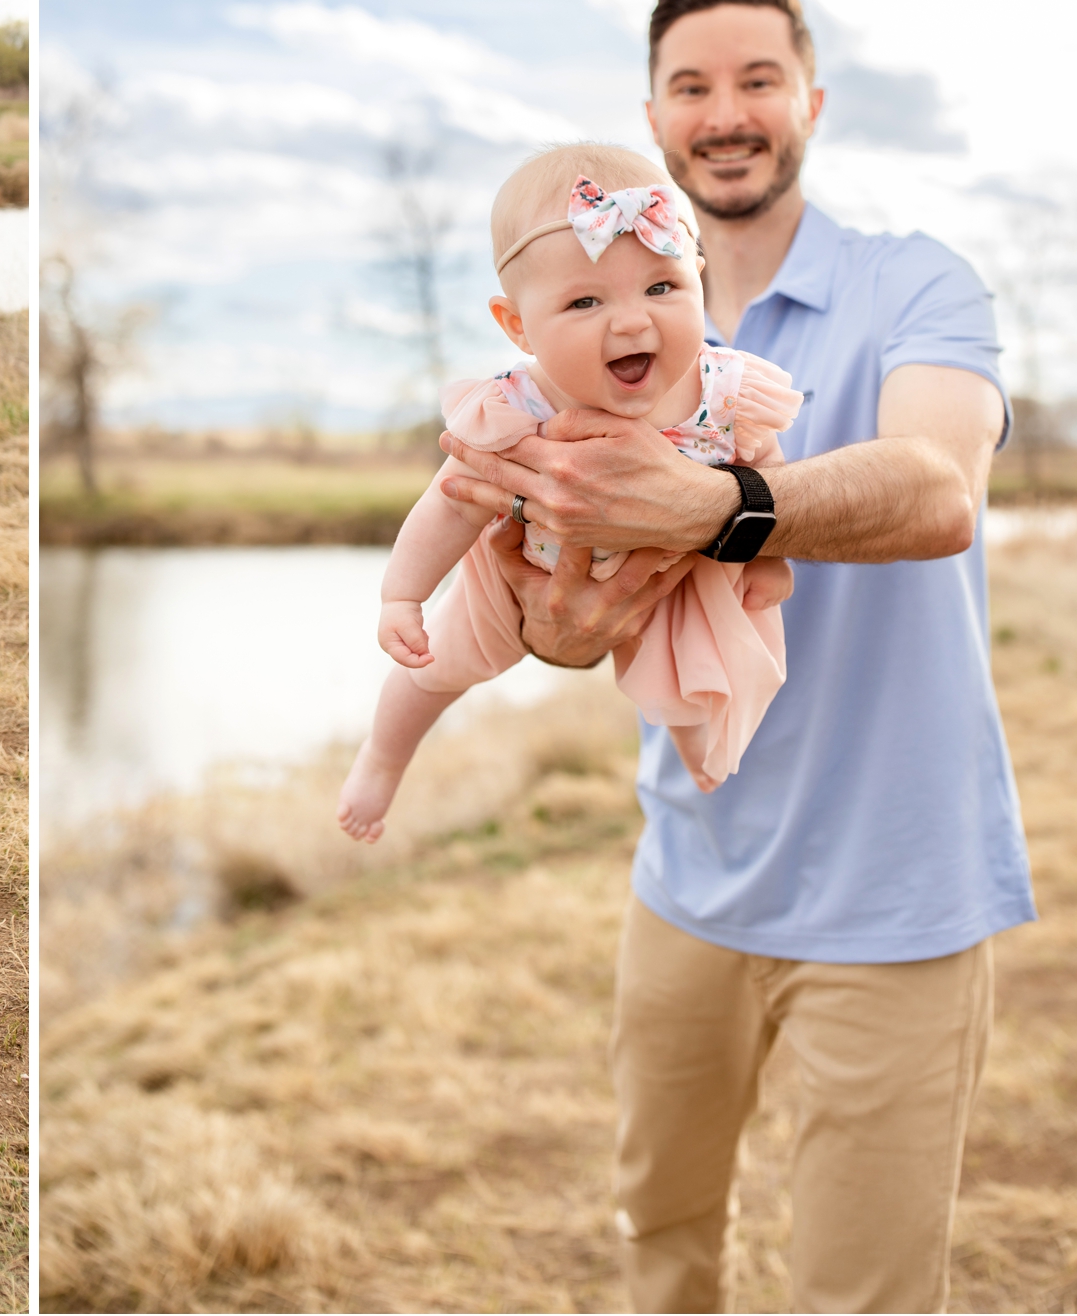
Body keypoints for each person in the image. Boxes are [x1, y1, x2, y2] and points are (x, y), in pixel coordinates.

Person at [436, 0, 1028, 1312]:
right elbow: (572, 619)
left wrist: (721, 504)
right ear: (654, 120)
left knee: (860, 1295)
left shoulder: (915, 284)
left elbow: (940, 492)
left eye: (758, 79)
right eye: (693, 86)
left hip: (898, 900)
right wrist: (561, 625)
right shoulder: (606, 330)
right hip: (686, 884)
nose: (727, 111)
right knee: (662, 1249)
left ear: (808, 100)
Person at [338, 145, 800, 845]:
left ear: (698, 280)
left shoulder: (722, 389)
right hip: (525, 567)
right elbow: (453, 499)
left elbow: (765, 467)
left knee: (703, 651)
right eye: (585, 301)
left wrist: (767, 554)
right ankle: (382, 758)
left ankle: (700, 755)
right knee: (439, 665)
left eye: (662, 288)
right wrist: (402, 596)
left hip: (674, 568)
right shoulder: (518, 405)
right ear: (517, 325)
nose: (631, 322)